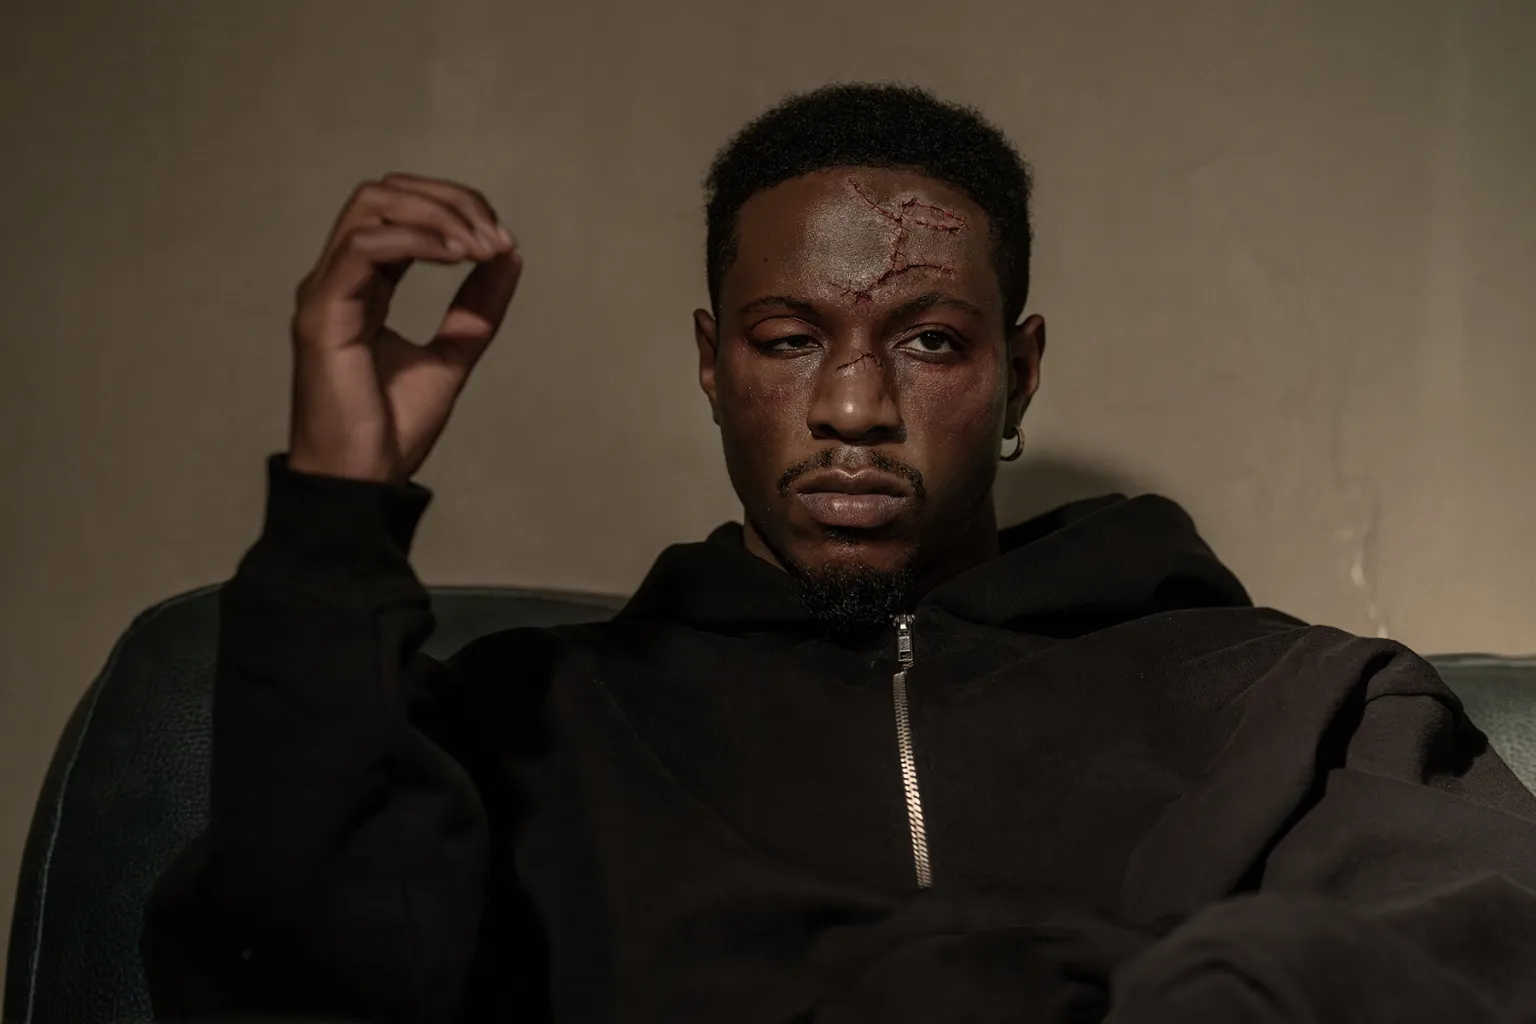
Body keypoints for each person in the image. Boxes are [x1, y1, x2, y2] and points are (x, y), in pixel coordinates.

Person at [142, 83, 1536, 1024]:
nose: (855, 409)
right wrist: (336, 509)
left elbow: (1481, 942)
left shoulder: (1301, 703)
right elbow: (298, 973)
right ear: (712, 362)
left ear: (1020, 373)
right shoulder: (524, 725)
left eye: (928, 341)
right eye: (788, 338)